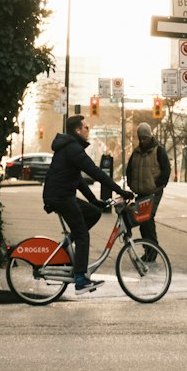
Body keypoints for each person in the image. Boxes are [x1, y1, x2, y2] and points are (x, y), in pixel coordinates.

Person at [42, 115, 133, 292]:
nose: (88, 131)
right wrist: (120, 191)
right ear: (77, 130)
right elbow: (96, 172)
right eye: (86, 128)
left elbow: (78, 180)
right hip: (61, 197)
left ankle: (71, 240)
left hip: (60, 195)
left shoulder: (70, 147)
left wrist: (93, 201)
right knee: (83, 235)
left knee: (93, 212)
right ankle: (81, 279)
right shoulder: (73, 148)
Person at [125, 122, 171, 254]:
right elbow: (129, 170)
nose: (142, 141)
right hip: (141, 192)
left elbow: (166, 170)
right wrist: (131, 184)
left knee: (147, 219)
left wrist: (158, 185)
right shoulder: (136, 152)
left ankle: (152, 251)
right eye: (140, 138)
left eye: (145, 138)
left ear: (150, 136)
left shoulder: (159, 151)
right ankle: (149, 250)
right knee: (142, 221)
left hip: (154, 192)